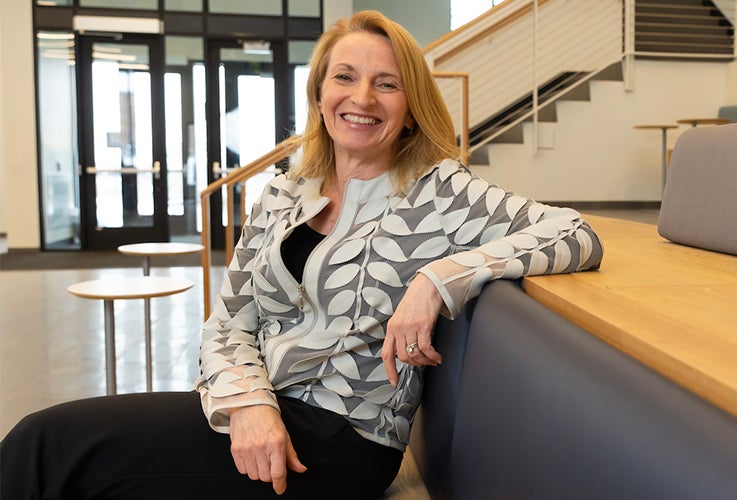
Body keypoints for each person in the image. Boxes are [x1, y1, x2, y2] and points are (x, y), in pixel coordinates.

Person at [0, 10, 603, 500]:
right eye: (344, 77)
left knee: (47, 448)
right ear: (319, 93)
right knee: (47, 447)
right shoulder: (286, 191)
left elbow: (574, 232)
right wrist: (250, 405)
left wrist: (439, 277)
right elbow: (229, 322)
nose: (361, 97)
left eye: (386, 83)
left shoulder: (441, 191)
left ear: (411, 103)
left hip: (346, 440)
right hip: (263, 412)